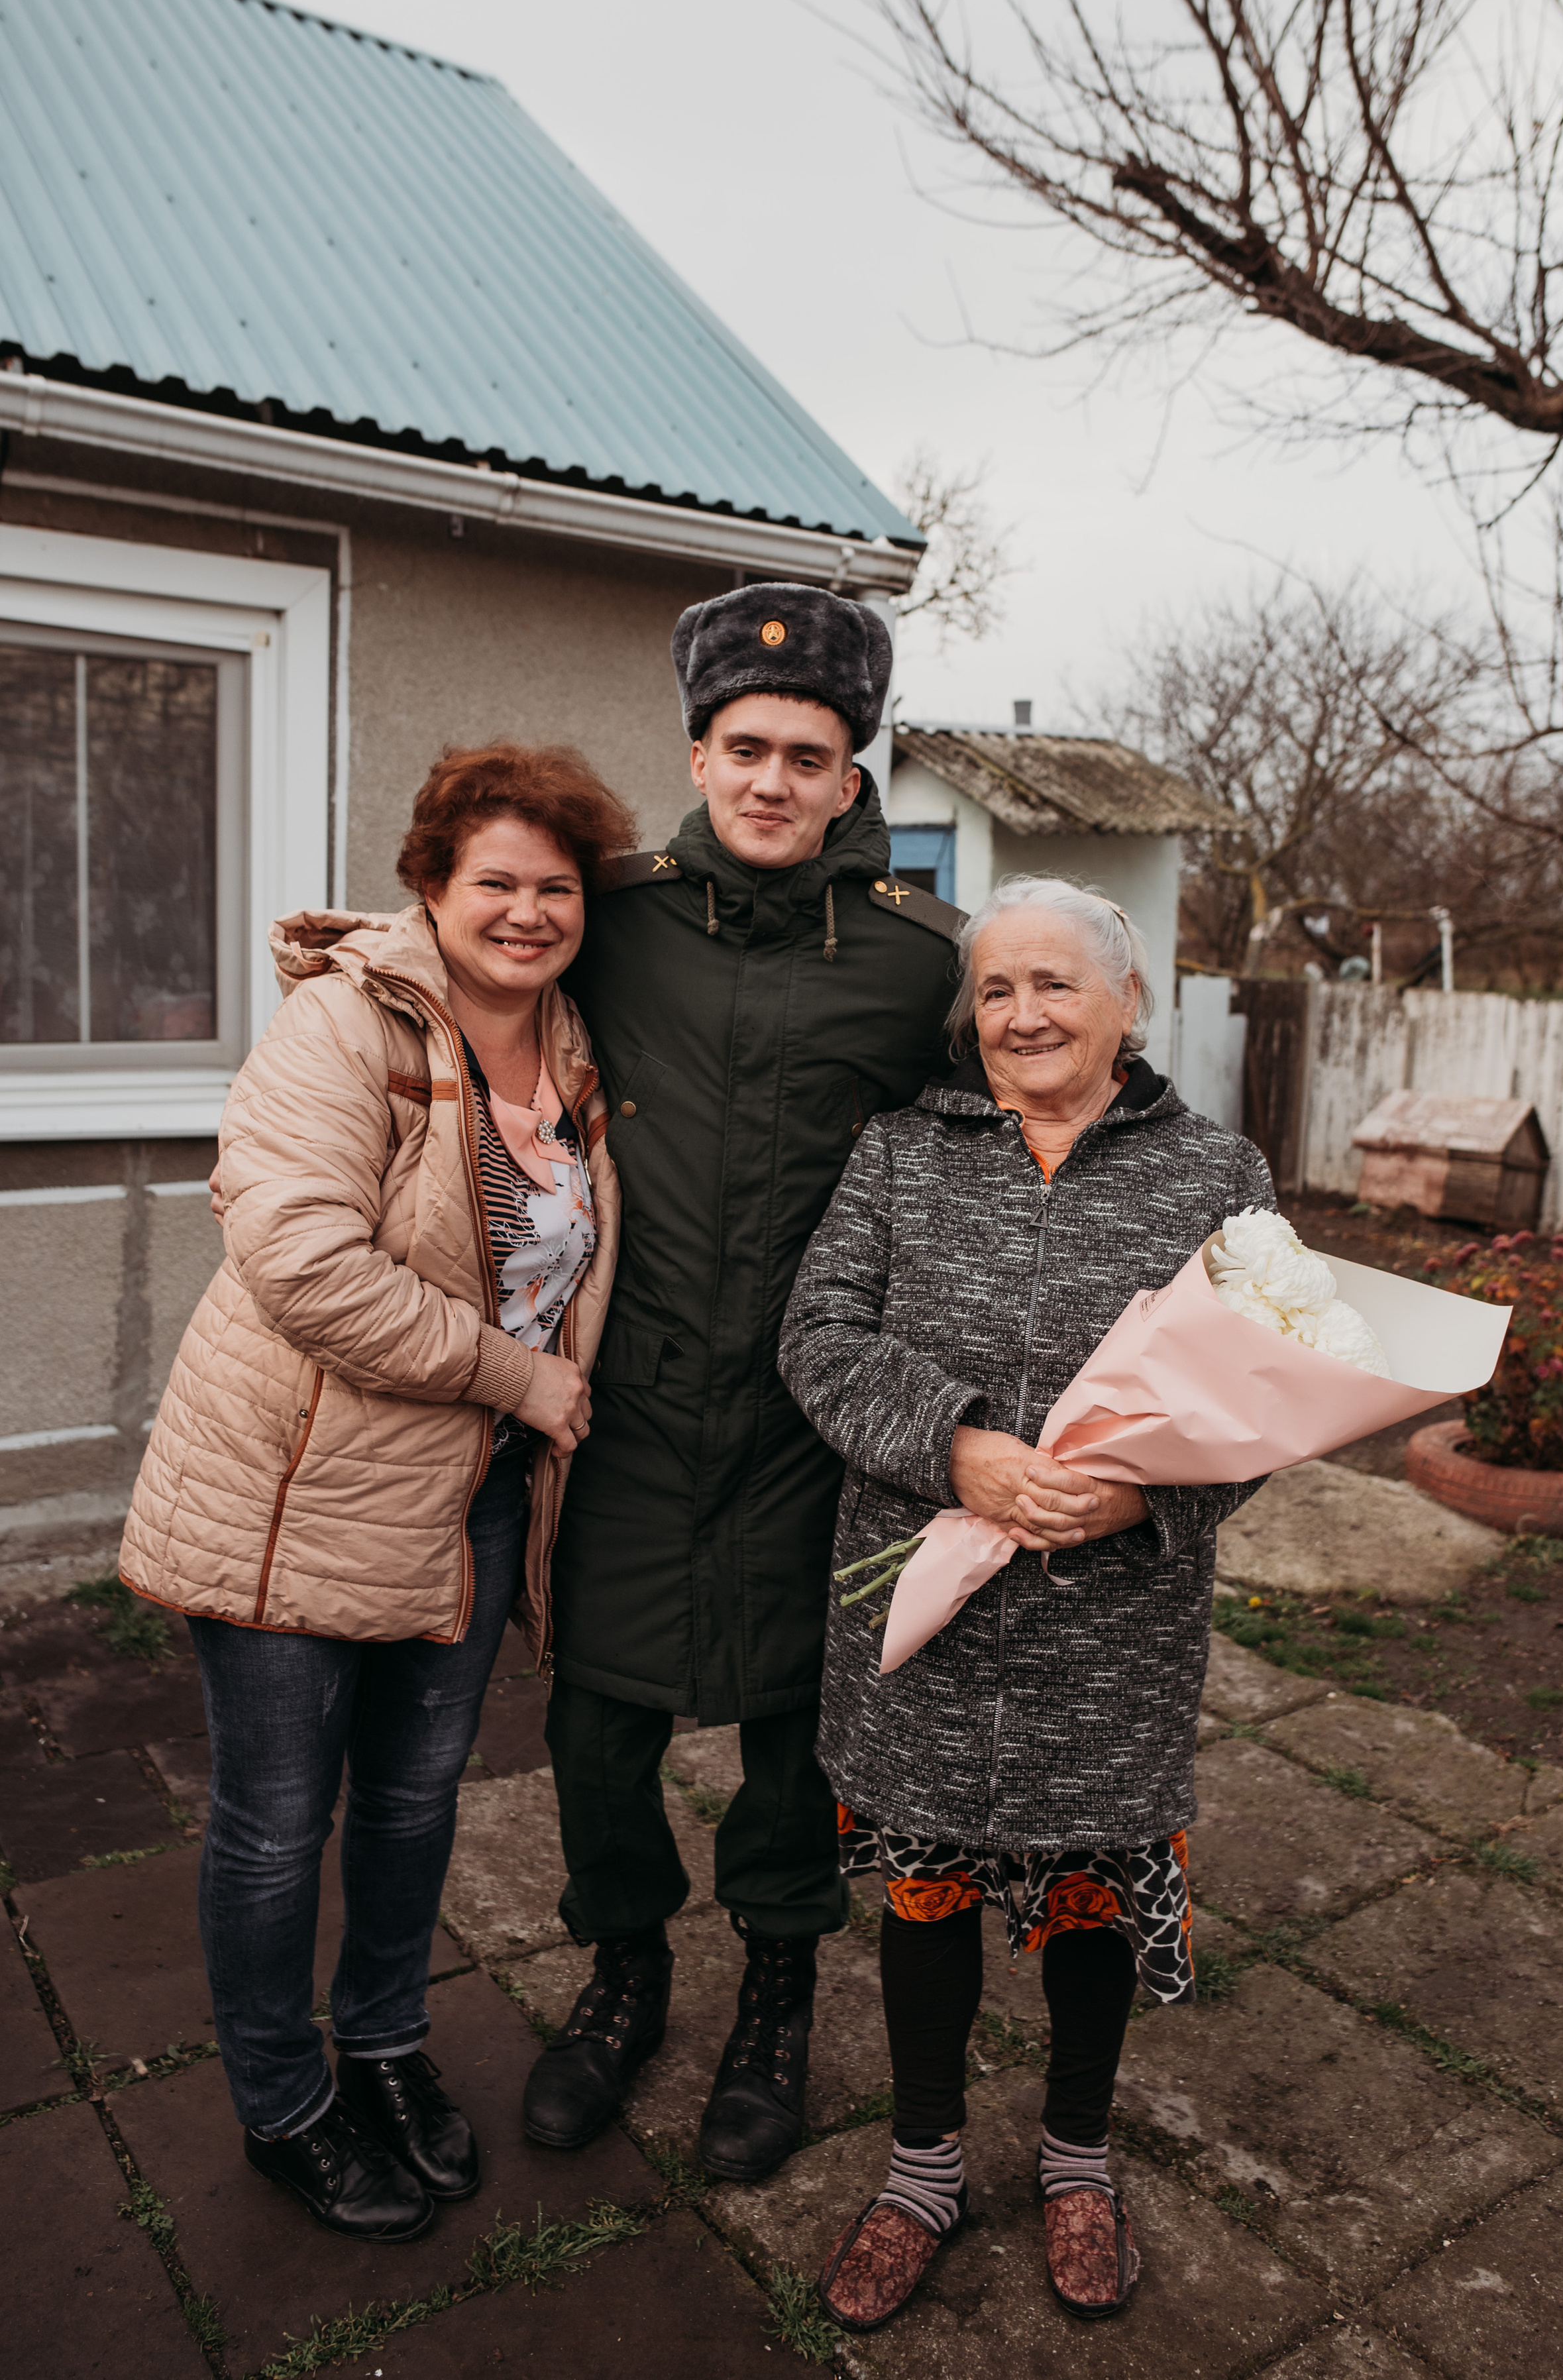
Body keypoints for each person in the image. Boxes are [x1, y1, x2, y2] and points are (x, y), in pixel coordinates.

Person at [119, 741, 629, 2242]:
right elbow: (299, 1263)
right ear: (430, 884)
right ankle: (284, 2104)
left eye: (555, 887)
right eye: (496, 882)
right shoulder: (346, 1028)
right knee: (278, 1824)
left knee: (411, 1808)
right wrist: (521, 1381)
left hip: (466, 1499)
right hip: (296, 1487)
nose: (527, 913)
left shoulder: (575, 1044)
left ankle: (389, 2049)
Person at [777, 874, 1275, 2330]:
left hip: (1109, 1626)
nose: (1022, 1013)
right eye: (993, 990)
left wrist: (1149, 1497)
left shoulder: (1216, 1175)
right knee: (922, 1895)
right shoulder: (898, 1155)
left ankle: (1075, 2159)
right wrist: (956, 1448)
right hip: (919, 1601)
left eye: (1054, 983)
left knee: (1087, 1896)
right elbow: (818, 1335)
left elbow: (1269, 1398)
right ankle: (923, 2167)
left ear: (1129, 1003)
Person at [520, 582, 963, 2183]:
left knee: (800, 1749)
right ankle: (622, 1976)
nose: (773, 780)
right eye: (744, 747)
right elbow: (462, 979)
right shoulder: (608, 922)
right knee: (594, 1734)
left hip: (816, 1431)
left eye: (811, 754)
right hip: (627, 1411)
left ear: (855, 779)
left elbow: (1026, 1126)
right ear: (696, 756)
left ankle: (775, 1997)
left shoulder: (925, 968)